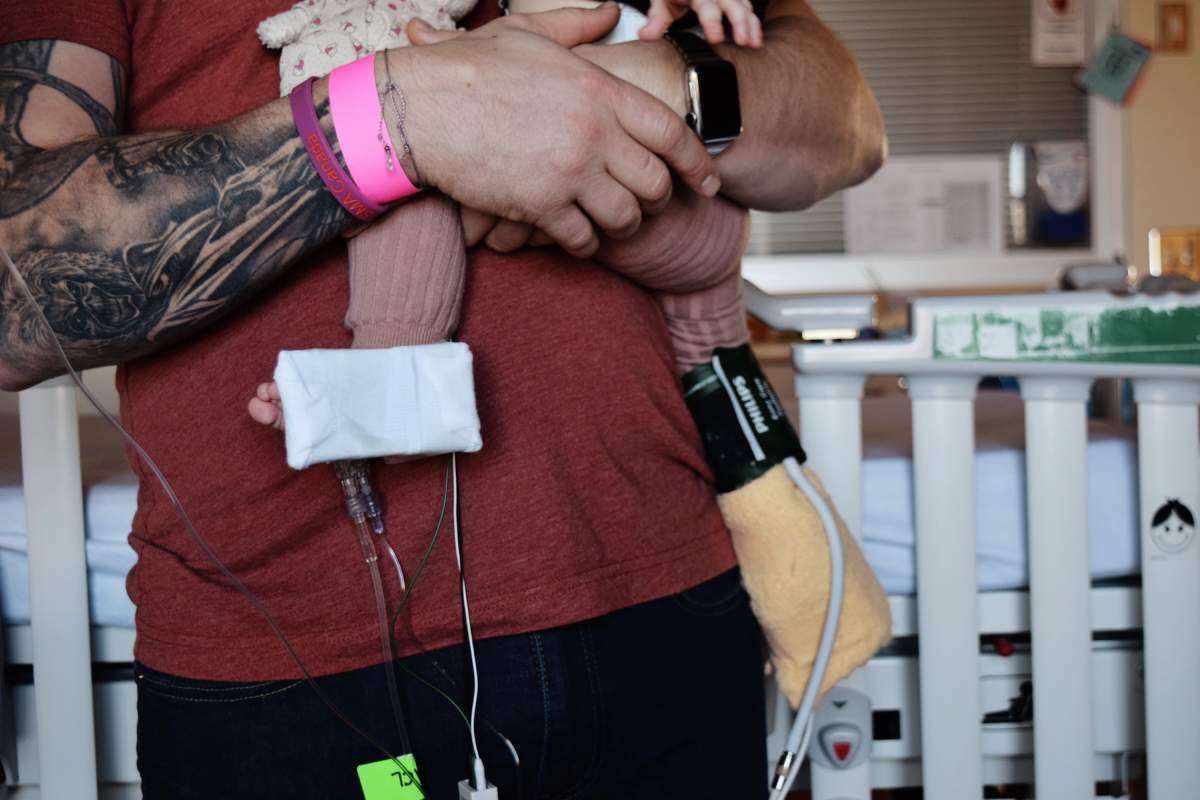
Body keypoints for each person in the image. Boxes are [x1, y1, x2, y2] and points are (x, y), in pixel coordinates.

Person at [0, 1, 884, 797]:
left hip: (672, 600)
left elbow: (849, 125)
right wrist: (400, 117)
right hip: (301, 662)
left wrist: (642, 83)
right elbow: (13, 291)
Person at [245, 0, 758, 435]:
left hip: (674, 179)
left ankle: (395, 387)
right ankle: (394, 383)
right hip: (571, 167)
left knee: (740, 408)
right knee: (402, 136)